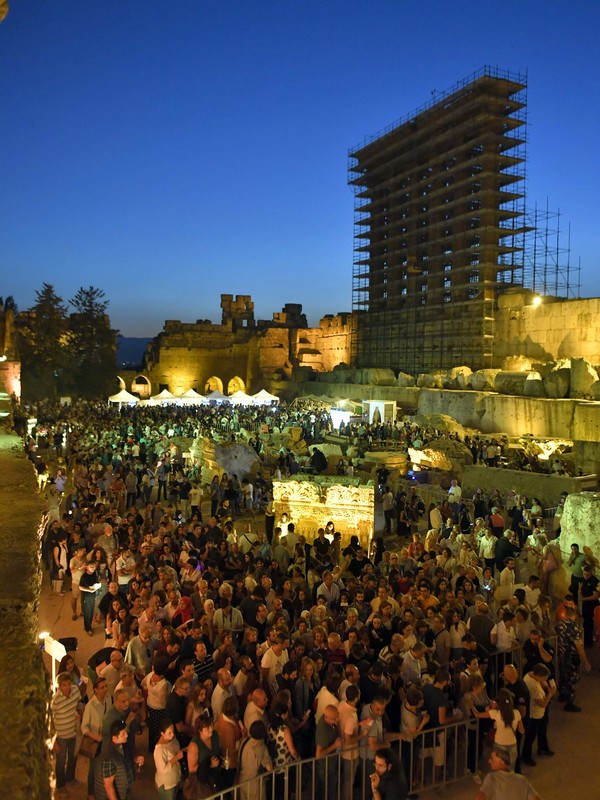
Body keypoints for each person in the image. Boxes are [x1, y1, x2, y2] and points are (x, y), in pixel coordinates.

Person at [95, 718, 144, 800]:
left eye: (126, 732)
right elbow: (108, 786)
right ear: (114, 738)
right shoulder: (109, 757)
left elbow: (125, 759)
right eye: (123, 734)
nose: (127, 735)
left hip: (123, 792)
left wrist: (135, 759)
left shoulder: (122, 744)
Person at [51, 671, 82, 797]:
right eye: (64, 685)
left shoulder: (75, 691)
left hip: (73, 733)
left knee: (73, 757)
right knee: (61, 760)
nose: (67, 687)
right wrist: (54, 741)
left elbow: (79, 703)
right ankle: (61, 785)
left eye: (69, 683)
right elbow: (49, 721)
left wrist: (80, 712)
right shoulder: (55, 701)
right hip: (61, 736)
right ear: (59, 686)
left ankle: (70, 778)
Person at [556, 605, 590, 712]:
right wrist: (585, 661)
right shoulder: (575, 628)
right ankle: (569, 703)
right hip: (571, 657)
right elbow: (578, 646)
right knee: (572, 679)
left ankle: (562, 694)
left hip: (561, 655)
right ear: (575, 615)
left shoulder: (560, 625)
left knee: (562, 675)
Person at [475, 749, 541, 800]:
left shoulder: (492, 778)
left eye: (492, 759)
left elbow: (480, 798)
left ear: (501, 763)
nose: (489, 761)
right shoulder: (523, 780)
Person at [154, 717, 184, 800]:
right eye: (169, 733)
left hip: (175, 779)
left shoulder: (173, 739)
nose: (173, 734)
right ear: (162, 734)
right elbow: (162, 770)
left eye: (173, 731)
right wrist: (176, 757)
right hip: (167, 786)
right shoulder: (159, 750)